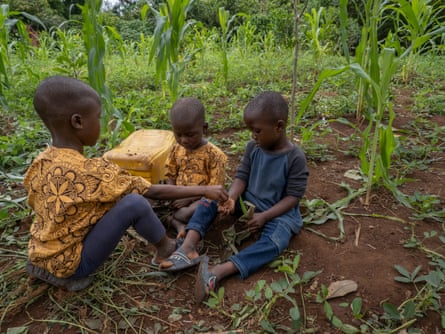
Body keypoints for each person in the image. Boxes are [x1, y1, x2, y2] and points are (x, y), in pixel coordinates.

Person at [24, 76, 228, 291]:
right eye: (98, 117)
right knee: (134, 203)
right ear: (78, 122)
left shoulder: (39, 163)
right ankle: (167, 249)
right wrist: (206, 189)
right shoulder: (93, 171)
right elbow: (152, 192)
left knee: (112, 200)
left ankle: (45, 269)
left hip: (38, 254)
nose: (101, 123)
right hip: (72, 264)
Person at [159, 91, 309, 304]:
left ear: (279, 126)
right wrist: (231, 197)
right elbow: (241, 177)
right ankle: (188, 247)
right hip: (246, 202)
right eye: (250, 131)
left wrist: (265, 216)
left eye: (257, 131)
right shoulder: (254, 147)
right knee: (211, 198)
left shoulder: (294, 158)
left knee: (275, 242)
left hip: (278, 214)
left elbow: (293, 197)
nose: (253, 136)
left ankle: (218, 271)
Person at [165, 97, 227, 239]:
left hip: (201, 198)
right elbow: (171, 174)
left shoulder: (215, 155)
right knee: (155, 205)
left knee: (193, 211)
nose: (184, 140)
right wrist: (172, 193)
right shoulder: (176, 149)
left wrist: (188, 198)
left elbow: (215, 188)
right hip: (179, 197)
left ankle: (175, 220)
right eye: (178, 134)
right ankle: (178, 223)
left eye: (190, 134)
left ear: (204, 129)